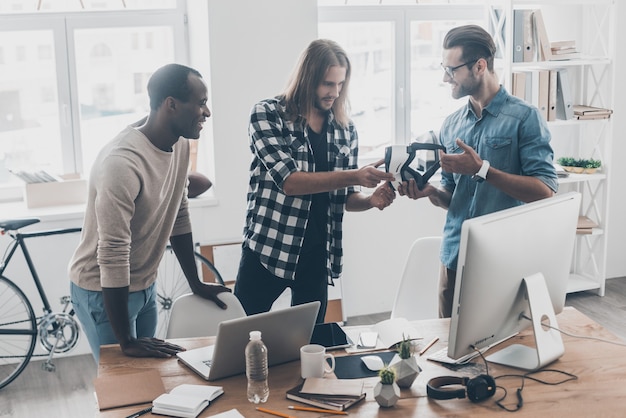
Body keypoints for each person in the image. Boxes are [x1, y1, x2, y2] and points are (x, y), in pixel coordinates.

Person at [69, 63, 230, 363]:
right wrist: (125, 341)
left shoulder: (179, 143)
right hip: (103, 291)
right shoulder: (122, 163)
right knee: (122, 385)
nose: (207, 112)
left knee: (152, 375)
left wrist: (194, 282)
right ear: (171, 105)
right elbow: (113, 253)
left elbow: (178, 211)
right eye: (201, 103)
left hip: (144, 285)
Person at [397, 25, 558, 318]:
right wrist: (432, 192)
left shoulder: (525, 118)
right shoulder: (451, 125)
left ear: (480, 66)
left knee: (500, 352)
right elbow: (453, 196)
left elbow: (545, 191)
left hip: (503, 263)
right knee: (449, 353)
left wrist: (483, 169)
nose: (445, 78)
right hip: (454, 258)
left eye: (451, 70)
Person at [234, 39, 396, 324]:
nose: (334, 92)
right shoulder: (267, 114)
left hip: (318, 257)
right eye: (326, 84)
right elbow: (291, 183)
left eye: (340, 84)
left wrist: (371, 200)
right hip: (269, 248)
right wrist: (356, 175)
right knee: (241, 335)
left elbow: (345, 198)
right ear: (307, 79)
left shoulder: (345, 130)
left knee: (310, 346)